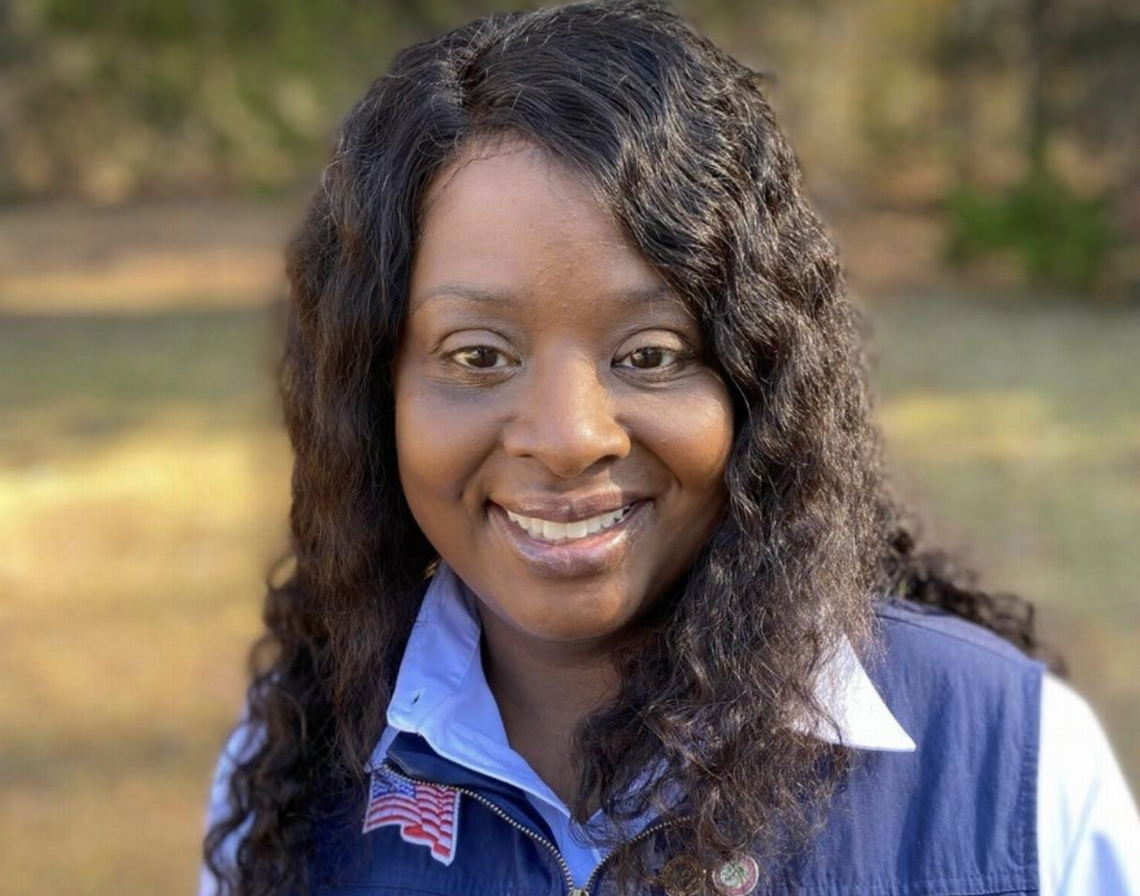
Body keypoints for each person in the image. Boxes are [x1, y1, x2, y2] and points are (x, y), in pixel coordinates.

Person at [199, 2, 1140, 894]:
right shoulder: (293, 776)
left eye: (649, 355)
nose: (568, 438)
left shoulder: (1013, 767)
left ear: (757, 383)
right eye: (478, 355)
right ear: (376, 397)